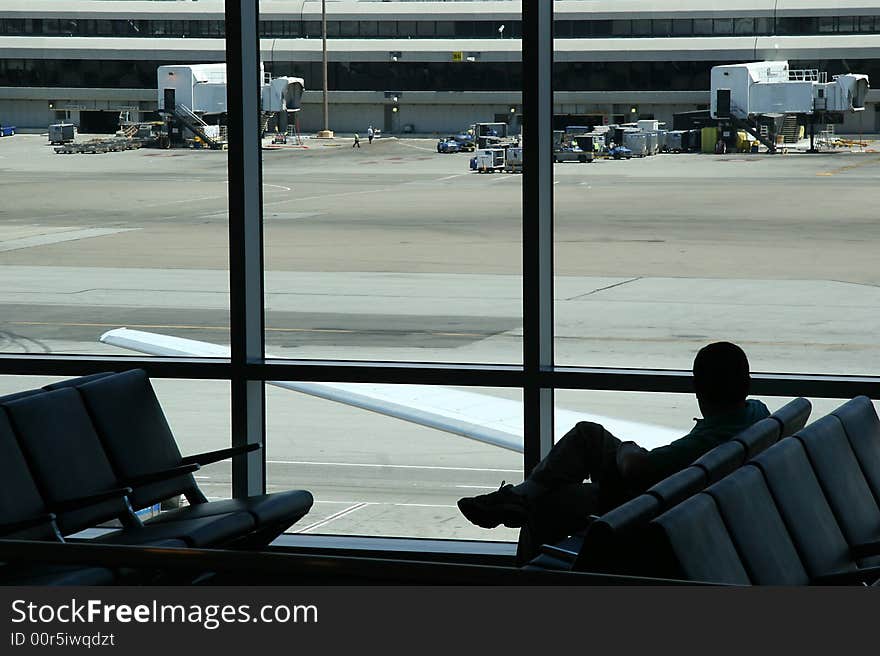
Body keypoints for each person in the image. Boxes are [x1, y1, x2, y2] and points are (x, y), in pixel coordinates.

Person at [457, 341, 770, 563]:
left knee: (548, 504)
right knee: (588, 434)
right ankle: (520, 497)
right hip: (671, 493)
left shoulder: (705, 442)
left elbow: (637, 469)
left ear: (698, 389)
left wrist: (629, 451)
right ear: (747, 383)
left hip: (641, 505)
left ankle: (529, 574)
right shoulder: (757, 414)